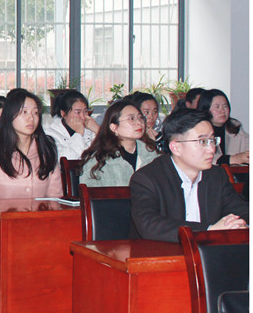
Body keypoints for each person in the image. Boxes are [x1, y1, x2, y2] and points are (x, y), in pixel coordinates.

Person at [129, 108, 249, 242]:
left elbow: (242, 211)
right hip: (161, 252)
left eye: (212, 140)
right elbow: (149, 224)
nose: (211, 149)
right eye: (202, 141)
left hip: (210, 252)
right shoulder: (147, 179)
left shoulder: (216, 175)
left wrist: (239, 224)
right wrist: (208, 230)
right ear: (176, 148)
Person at [0, 88, 62, 200]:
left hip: (41, 212)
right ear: (9, 116)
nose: (31, 118)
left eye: (35, 113)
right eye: (24, 112)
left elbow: (55, 197)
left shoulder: (47, 151)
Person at [79, 99, 159, 187]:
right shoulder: (98, 160)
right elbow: (88, 192)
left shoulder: (152, 155)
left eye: (140, 118)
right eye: (131, 118)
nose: (139, 122)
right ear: (114, 128)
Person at [195, 88, 249, 166]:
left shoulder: (236, 127)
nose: (222, 111)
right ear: (205, 109)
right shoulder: (197, 130)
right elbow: (199, 156)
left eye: (225, 106)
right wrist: (233, 159)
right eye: (217, 107)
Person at [44, 89, 100, 160]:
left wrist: (99, 131)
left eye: (85, 111)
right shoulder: (49, 133)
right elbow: (66, 160)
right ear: (63, 113)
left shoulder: (90, 128)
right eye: (78, 112)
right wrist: (78, 134)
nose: (83, 117)